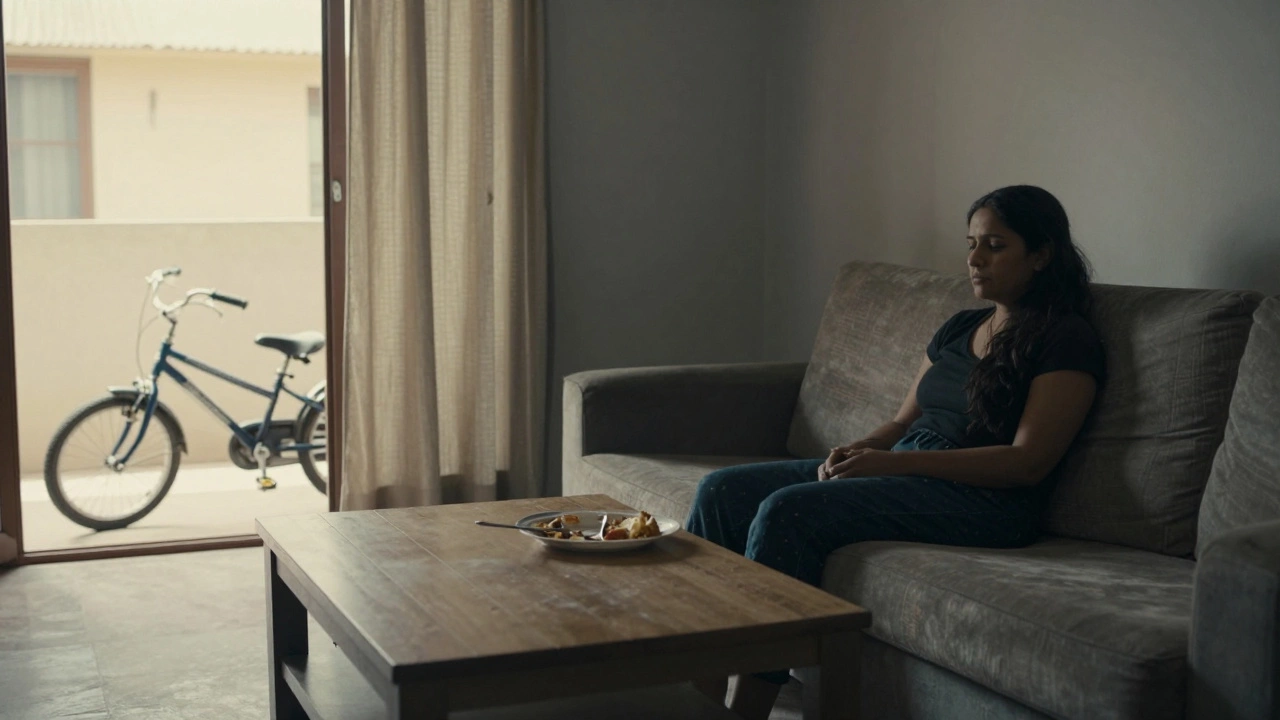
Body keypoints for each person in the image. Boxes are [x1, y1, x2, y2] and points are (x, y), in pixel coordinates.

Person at [686, 185, 1105, 720]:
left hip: (986, 498)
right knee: (721, 491)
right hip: (911, 463)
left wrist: (897, 461)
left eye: (995, 246)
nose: (975, 259)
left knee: (790, 509)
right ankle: (697, 699)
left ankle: (744, 711)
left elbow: (1027, 463)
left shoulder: (1065, 339)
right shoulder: (961, 327)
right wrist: (860, 449)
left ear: (1042, 255)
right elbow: (903, 422)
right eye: (972, 243)